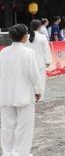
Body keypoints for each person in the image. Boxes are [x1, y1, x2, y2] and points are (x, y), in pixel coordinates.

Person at [0, 24, 42, 156]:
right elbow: (34, 75)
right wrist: (38, 90)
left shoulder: (3, 52)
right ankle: (21, 152)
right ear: (25, 37)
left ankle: (7, 152)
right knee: (24, 127)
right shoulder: (29, 53)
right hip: (24, 94)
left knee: (7, 127)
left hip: (6, 94)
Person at [26, 19, 52, 100]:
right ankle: (40, 97)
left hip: (29, 62)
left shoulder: (26, 37)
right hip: (40, 62)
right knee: (41, 80)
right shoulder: (42, 37)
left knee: (30, 80)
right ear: (40, 27)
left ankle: (31, 96)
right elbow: (46, 50)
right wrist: (48, 61)